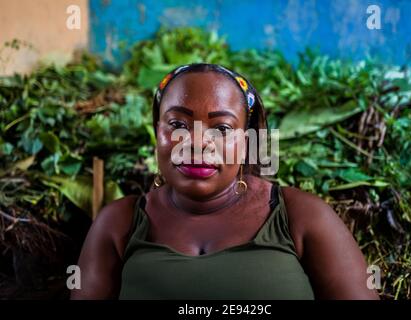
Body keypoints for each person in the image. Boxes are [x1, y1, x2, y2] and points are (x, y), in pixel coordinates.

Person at [70, 63, 380, 300]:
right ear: (157, 133)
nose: (197, 143)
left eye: (222, 128)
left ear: (246, 141)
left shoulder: (302, 216)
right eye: (178, 124)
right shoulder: (118, 223)